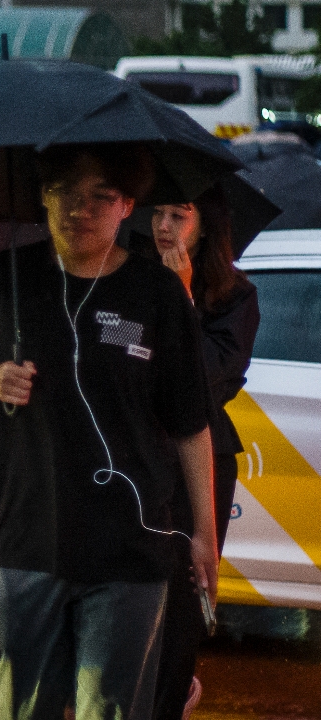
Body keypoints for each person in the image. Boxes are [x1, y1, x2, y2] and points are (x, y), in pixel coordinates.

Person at [0, 144, 219, 720]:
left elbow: (191, 424)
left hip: (130, 550)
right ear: (44, 196)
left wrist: (205, 534)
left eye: (100, 197)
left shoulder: (157, 292)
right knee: (22, 708)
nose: (79, 210)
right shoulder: (2, 279)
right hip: (24, 543)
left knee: (112, 710)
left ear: (127, 206)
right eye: (65, 193)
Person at [149, 186, 260, 720]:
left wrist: (183, 298)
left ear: (204, 227)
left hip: (200, 457)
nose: (164, 225)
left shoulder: (234, 295)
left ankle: (174, 694)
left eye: (179, 215)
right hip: (135, 457)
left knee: (182, 600)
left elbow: (209, 379)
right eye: (158, 212)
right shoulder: (128, 278)